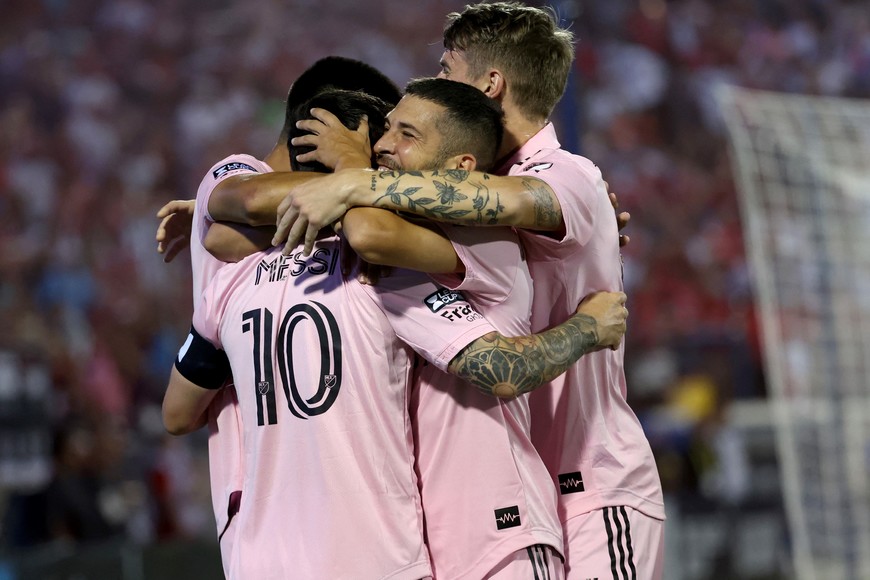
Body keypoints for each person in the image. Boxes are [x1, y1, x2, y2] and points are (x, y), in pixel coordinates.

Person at [162, 87, 629, 578]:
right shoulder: (383, 269)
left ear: (460, 170)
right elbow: (243, 228)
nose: (384, 148)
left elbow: (252, 230)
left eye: (405, 135)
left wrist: (589, 321)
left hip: (497, 535)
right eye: (382, 134)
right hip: (415, 546)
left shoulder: (471, 243)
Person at [271, 3, 666, 578]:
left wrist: (357, 177)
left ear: (490, 83)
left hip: (593, 485)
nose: (437, 80)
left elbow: (505, 203)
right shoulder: (482, 195)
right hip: (516, 493)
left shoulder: (568, 175)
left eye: (446, 66)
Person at [156, 56, 404, 577]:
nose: (384, 166)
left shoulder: (335, 218)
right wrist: (355, 179)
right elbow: (233, 206)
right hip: (265, 501)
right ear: (319, 131)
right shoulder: (235, 176)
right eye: (374, 150)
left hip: (355, 505)